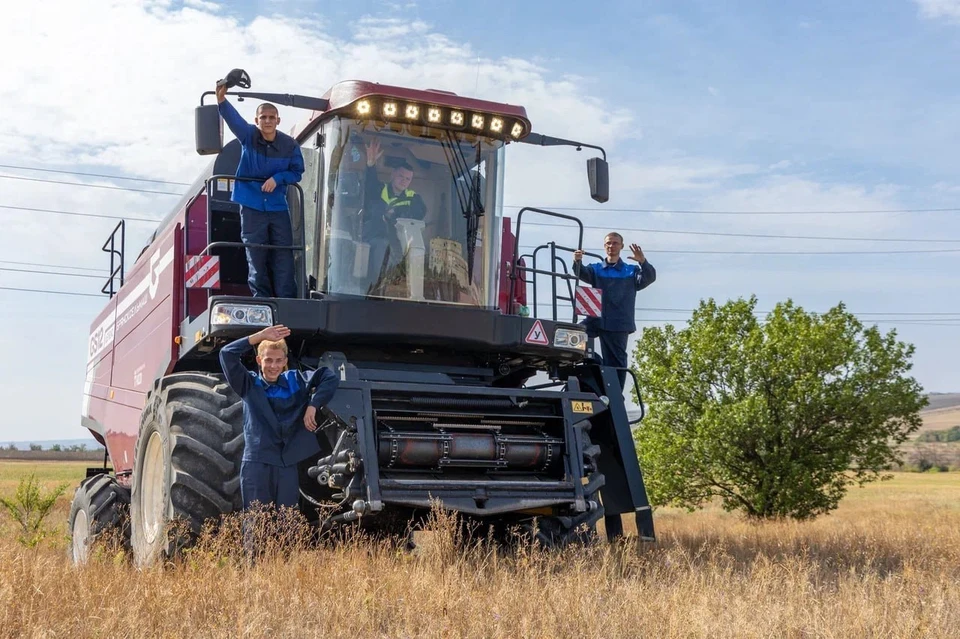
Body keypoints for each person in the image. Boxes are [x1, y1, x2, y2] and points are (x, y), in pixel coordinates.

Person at [219, 325, 339, 512]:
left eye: (278, 361)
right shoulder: (248, 384)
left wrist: (313, 405)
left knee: (287, 520)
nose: (273, 366)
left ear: (285, 361)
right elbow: (226, 354)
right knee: (257, 520)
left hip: (287, 464)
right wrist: (259, 336)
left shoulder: (295, 381)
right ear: (259, 360)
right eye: (268, 360)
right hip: (257, 464)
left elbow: (329, 377)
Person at [216, 84, 304, 298]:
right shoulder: (248, 136)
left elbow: (297, 172)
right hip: (251, 206)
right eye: (263, 117)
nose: (267, 121)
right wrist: (221, 100)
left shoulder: (290, 145)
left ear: (278, 120)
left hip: (277, 207)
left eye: (271, 117)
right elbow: (234, 119)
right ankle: (262, 300)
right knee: (256, 255)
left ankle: (287, 301)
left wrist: (278, 178)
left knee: (284, 254)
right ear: (256, 120)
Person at [573, 232, 657, 389]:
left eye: (615, 243)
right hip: (596, 319)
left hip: (619, 323)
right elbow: (582, 272)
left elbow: (649, 278)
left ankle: (616, 395)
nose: (611, 246)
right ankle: (596, 365)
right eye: (608, 243)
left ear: (621, 246)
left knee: (616, 362)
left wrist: (643, 262)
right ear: (604, 246)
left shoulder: (630, 271)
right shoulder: (596, 269)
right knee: (574, 335)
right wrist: (577, 261)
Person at [361, 138, 427, 280]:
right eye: (401, 176)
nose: (404, 181)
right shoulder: (380, 190)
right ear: (392, 175)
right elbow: (370, 185)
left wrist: (397, 213)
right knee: (382, 246)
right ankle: (377, 285)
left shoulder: (414, 198)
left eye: (408, 179)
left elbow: (420, 213)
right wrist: (371, 165)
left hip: (401, 244)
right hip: (377, 240)